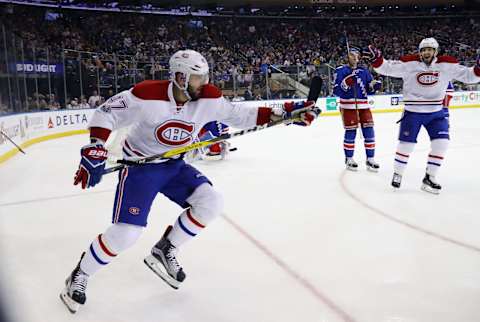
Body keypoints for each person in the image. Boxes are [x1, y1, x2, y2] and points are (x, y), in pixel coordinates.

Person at [60, 49, 319, 314]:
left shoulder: (209, 97)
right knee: (127, 233)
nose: (203, 82)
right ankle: (79, 275)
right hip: (141, 168)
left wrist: (289, 111)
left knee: (211, 202)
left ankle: (166, 248)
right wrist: (96, 146)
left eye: (204, 76)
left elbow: (242, 116)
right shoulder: (147, 94)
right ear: (180, 76)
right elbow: (106, 114)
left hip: (175, 166)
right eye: (197, 77)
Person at [364, 38, 480, 193]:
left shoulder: (447, 65)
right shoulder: (409, 64)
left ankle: (430, 177)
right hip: (413, 112)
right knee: (407, 145)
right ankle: (398, 173)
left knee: (442, 144)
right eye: (423, 49)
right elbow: (387, 68)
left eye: (430, 49)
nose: (426, 52)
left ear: (436, 51)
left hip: (436, 113)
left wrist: (478, 68)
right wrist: (377, 60)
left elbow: (470, 77)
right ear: (420, 52)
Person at [333, 47, 381, 172]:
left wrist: (374, 86)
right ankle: (349, 158)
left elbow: (369, 89)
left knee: (369, 131)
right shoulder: (341, 71)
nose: (354, 58)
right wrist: (346, 83)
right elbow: (336, 91)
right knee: (351, 131)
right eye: (351, 55)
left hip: (364, 105)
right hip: (348, 106)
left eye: (356, 55)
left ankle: (370, 158)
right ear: (347, 56)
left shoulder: (364, 71)